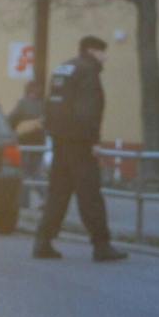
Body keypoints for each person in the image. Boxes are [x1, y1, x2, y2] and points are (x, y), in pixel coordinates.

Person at [32, 35, 129, 262]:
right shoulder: (88, 72)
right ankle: (101, 245)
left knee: (58, 192)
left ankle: (43, 241)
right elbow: (89, 110)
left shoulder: (63, 69)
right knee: (90, 195)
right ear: (93, 51)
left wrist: (54, 133)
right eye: (103, 52)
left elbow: (50, 105)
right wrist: (93, 140)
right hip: (80, 142)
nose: (105, 58)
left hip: (60, 140)